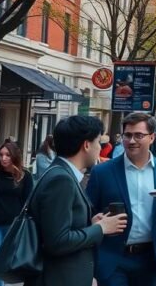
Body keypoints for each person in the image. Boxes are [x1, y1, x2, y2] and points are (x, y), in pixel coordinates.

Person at [26, 116, 127, 286]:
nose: (99, 147)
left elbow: (61, 227)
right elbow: (57, 241)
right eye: (98, 142)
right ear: (86, 145)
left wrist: (91, 224)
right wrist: (100, 228)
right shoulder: (61, 179)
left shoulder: (62, 173)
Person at [86, 113, 156, 286]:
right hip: (113, 258)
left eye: (139, 135)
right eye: (127, 135)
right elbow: (88, 212)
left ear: (152, 137)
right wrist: (94, 223)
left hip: (150, 259)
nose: (131, 141)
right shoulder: (102, 172)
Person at [0, 141, 33, 286]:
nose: (3, 158)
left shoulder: (25, 176)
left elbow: (28, 202)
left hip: (14, 227)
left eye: (7, 155)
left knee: (9, 265)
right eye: (1, 155)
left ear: (14, 156)